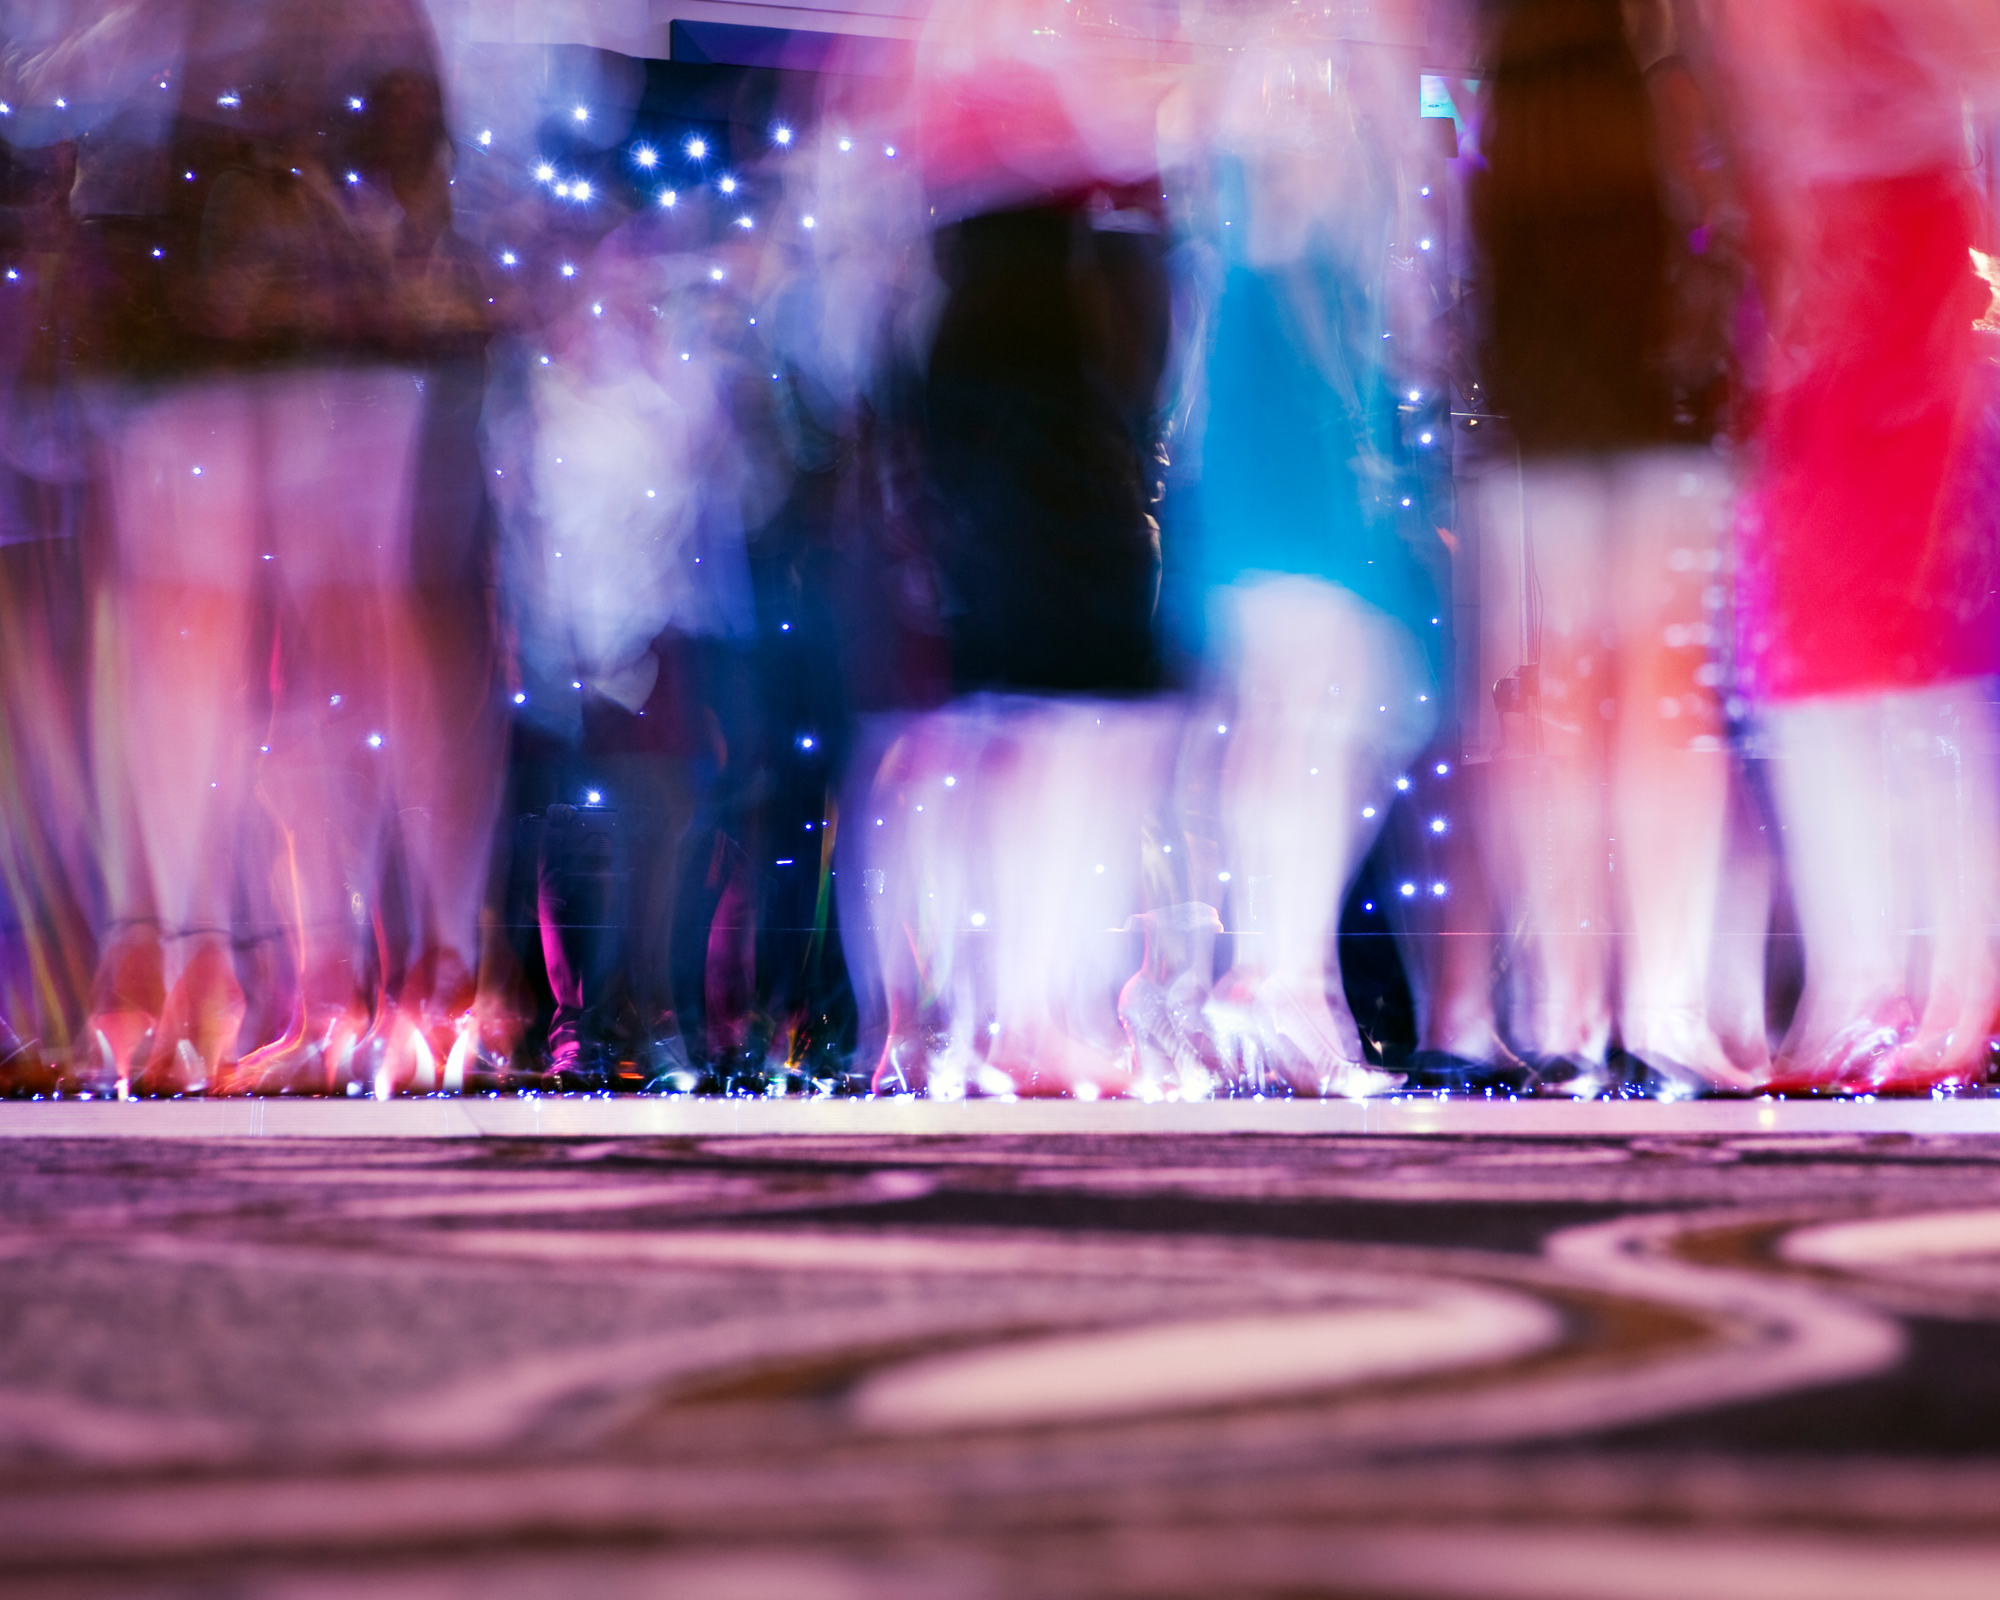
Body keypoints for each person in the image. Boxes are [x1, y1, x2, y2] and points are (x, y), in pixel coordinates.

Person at [1711, 0, 2000, 1093]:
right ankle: (1860, 980)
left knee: (1914, 641)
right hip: (1806, 272)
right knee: (1810, 655)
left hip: (1908, 262)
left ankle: (1950, 987)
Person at [1468, 0, 1751, 1095]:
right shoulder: (1663, 71)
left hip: (1543, 376)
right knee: (1651, 698)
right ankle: (1654, 1005)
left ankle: (1567, 1007)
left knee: (1561, 701)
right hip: (1638, 378)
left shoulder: (1513, 83)